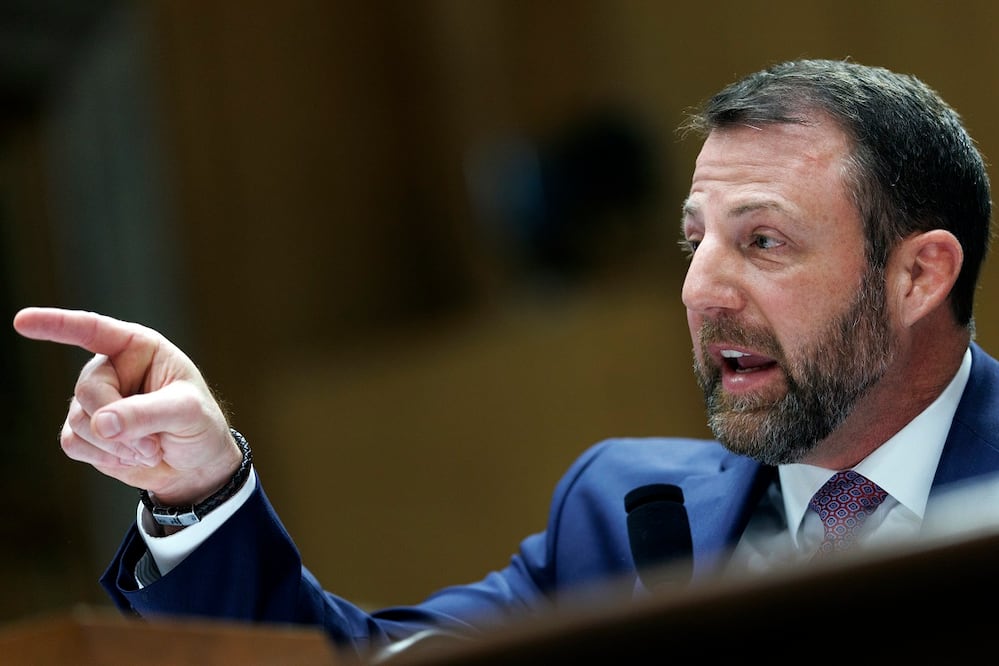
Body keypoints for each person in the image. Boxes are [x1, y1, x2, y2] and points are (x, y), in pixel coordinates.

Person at [12, 58, 999, 657]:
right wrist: (199, 492)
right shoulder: (622, 517)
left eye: (762, 241)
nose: (701, 289)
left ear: (918, 277)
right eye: (692, 238)